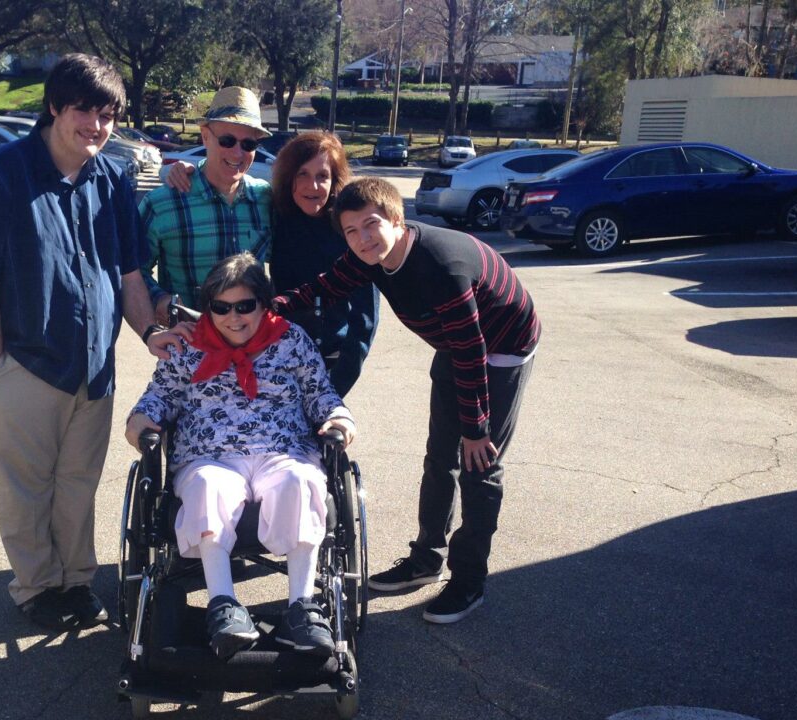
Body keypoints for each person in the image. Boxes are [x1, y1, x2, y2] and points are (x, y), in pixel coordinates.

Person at [0, 54, 186, 633]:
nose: (97, 126)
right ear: (55, 106)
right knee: (26, 486)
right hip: (25, 363)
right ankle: (35, 586)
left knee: (79, 482)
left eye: (107, 115)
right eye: (84, 111)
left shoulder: (111, 177)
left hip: (93, 367)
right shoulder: (4, 173)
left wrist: (149, 331)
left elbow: (129, 275)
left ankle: (75, 582)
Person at [275, 177, 539, 625]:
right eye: (351, 231)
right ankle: (427, 559)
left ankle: (469, 580)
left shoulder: (440, 268)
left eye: (371, 225)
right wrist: (268, 307)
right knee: (440, 455)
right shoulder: (372, 256)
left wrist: (476, 430)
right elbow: (326, 285)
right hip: (457, 345)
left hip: (500, 348)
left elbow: (473, 353)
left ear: (397, 220)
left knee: (479, 464)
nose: (361, 239)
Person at [125, 254, 356, 659]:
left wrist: (338, 417)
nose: (234, 317)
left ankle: (302, 609)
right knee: (209, 486)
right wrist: (141, 421)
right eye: (221, 307)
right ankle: (223, 606)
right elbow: (158, 397)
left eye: (245, 306)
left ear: (264, 305)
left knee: (301, 481)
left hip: (283, 451)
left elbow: (321, 392)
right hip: (208, 456)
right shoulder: (186, 346)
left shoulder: (291, 340)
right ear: (209, 308)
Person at [169, 131, 379, 398]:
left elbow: (365, 322)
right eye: (301, 174)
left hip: (329, 360)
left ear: (334, 179)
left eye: (322, 176)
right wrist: (186, 169)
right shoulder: (277, 213)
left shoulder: (349, 228)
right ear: (288, 177)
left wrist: (335, 388)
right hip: (275, 355)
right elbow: (227, 182)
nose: (312, 186)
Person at [138, 87, 273, 323]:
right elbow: (133, 269)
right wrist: (159, 299)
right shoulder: (162, 204)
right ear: (205, 136)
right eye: (227, 140)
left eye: (248, 144)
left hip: (254, 350)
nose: (238, 152)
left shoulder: (265, 198)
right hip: (190, 347)